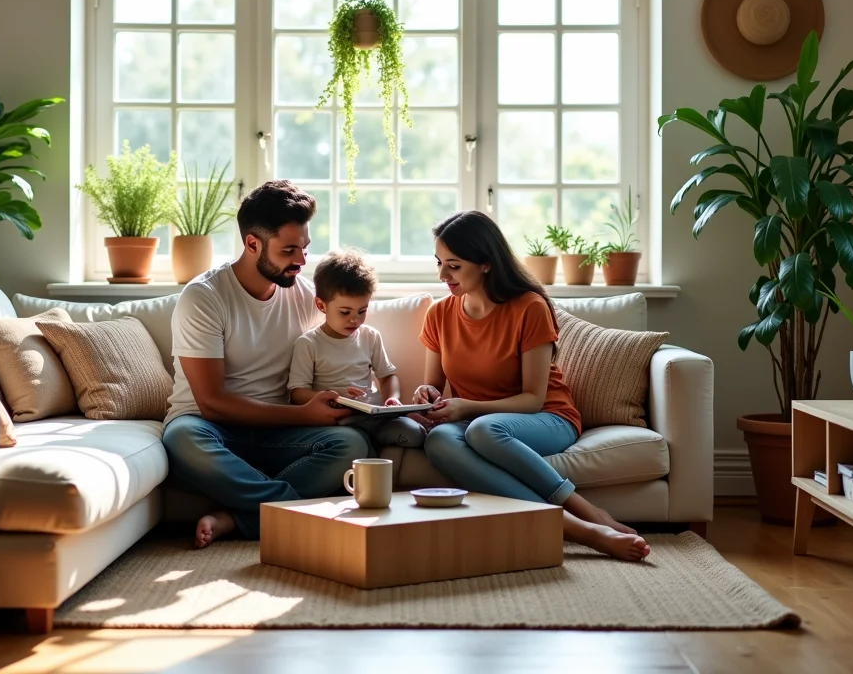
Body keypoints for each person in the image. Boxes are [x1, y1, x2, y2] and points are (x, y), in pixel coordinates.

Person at [413, 211, 651, 562]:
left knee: (483, 430)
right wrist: (426, 396)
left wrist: (466, 407)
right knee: (439, 440)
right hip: (478, 422)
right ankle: (579, 530)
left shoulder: (529, 308)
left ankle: (589, 516)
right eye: (438, 263)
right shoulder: (439, 314)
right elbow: (433, 385)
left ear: (486, 264)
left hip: (546, 417)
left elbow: (533, 399)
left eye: (453, 265)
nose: (442, 275)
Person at [161, 180, 368, 549]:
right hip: (211, 428)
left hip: (277, 434)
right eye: (289, 250)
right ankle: (298, 515)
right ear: (252, 244)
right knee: (182, 438)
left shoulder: (306, 296)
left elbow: (348, 344)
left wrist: (352, 398)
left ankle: (242, 518)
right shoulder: (204, 298)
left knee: (351, 443)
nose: (302, 261)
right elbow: (212, 402)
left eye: (304, 248)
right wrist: (304, 415)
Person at [288, 250, 427, 448]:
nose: (355, 319)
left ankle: (373, 443)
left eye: (362, 311)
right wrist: (332, 396)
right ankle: (366, 447)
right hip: (336, 419)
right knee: (353, 443)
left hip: (374, 416)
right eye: (345, 312)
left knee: (416, 434)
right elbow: (298, 393)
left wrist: (392, 400)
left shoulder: (370, 336)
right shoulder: (309, 343)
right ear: (321, 305)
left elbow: (388, 376)